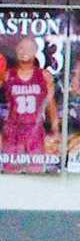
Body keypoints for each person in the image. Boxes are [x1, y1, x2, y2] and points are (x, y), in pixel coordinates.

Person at [3, 35, 57, 173]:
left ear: (35, 51)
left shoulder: (44, 75)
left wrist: (56, 130)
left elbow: (51, 104)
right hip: (13, 130)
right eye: (21, 48)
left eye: (29, 48)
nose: (24, 51)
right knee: (10, 172)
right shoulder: (8, 75)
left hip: (34, 130)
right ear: (16, 50)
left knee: (36, 171)